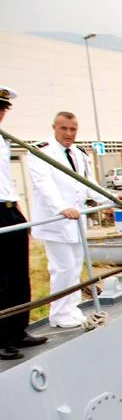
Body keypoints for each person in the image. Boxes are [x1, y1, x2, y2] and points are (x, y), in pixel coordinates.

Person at [28, 111, 106, 329]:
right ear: (54, 127)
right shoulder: (40, 152)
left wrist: (110, 198)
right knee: (61, 269)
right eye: (64, 128)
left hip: (75, 223)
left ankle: (72, 309)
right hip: (55, 222)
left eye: (73, 129)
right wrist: (61, 208)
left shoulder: (79, 153)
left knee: (74, 267)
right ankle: (59, 314)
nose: (68, 133)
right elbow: (44, 186)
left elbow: (87, 182)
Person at [0, 86, 47, 360]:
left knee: (20, 276)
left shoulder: (3, 140)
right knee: (1, 280)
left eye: (3, 109)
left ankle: (18, 330)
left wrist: (18, 211)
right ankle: (2, 338)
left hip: (9, 208)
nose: (1, 113)